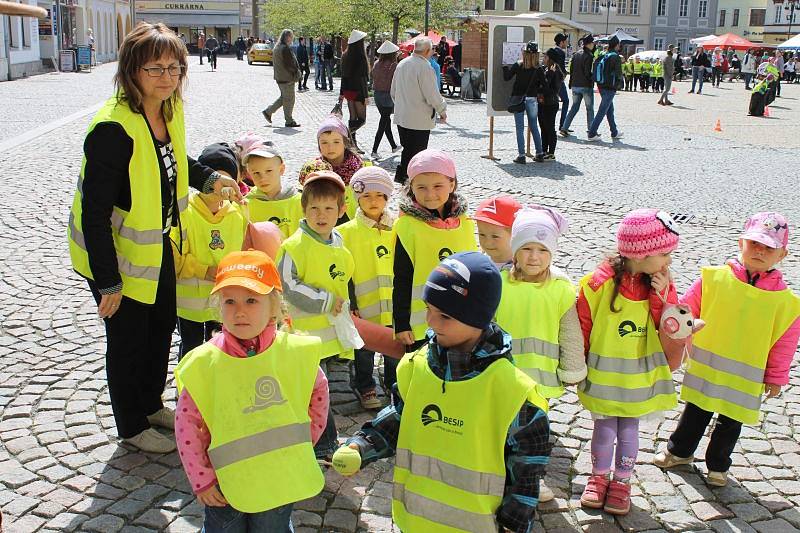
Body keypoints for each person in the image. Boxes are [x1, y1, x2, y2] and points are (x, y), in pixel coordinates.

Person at [67, 22, 242, 453]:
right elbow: (94, 213)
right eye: (155, 69)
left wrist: (208, 178)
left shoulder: (167, 107)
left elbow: (172, 158)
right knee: (127, 340)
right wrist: (107, 280)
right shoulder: (113, 128)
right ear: (132, 71)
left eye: (174, 67)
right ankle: (130, 425)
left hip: (157, 244)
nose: (167, 77)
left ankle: (149, 404)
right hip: (114, 254)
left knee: (161, 328)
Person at [333, 251, 552, 533]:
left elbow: (527, 474)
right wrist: (362, 446)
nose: (432, 323)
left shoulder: (514, 392)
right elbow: (399, 418)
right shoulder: (416, 366)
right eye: (429, 309)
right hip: (413, 522)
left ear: (478, 318)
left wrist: (514, 525)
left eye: (445, 316)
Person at [174, 250, 329, 531]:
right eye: (229, 301)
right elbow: (186, 423)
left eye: (251, 300)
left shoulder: (293, 354)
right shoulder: (204, 364)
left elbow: (317, 394)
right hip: (225, 481)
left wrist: (302, 443)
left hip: (279, 474)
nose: (239, 310)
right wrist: (202, 478)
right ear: (218, 306)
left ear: (274, 306)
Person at [655, 212, 800, 487]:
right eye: (754, 243)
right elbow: (687, 307)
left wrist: (776, 377)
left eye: (769, 247)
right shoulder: (714, 279)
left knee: (730, 423)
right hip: (707, 368)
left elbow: (784, 343)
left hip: (745, 378)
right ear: (740, 243)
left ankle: (718, 466)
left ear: (782, 255)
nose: (760, 251)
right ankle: (679, 452)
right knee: (695, 412)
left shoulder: (785, 302)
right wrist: (679, 325)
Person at [577, 209, 685, 515]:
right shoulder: (598, 284)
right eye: (664, 253)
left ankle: (622, 482)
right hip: (604, 376)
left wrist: (662, 294)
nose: (669, 260)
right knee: (604, 429)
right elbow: (583, 322)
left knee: (628, 431)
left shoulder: (661, 284)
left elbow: (667, 322)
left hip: (639, 376)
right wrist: (578, 362)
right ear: (640, 253)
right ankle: (598, 478)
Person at [495, 205, 587, 503]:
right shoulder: (499, 283)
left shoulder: (560, 290)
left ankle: (529, 479)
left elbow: (570, 332)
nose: (534, 257)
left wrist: (573, 368)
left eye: (542, 250)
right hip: (503, 374)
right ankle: (497, 475)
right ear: (515, 251)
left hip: (540, 379)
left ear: (552, 253)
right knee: (499, 429)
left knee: (534, 434)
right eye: (527, 248)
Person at [277, 170, 355, 459]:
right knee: (313, 388)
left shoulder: (335, 239)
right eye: (314, 209)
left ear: (341, 210)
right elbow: (288, 284)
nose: (321, 215)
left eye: (328, 209)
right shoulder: (295, 246)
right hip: (303, 332)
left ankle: (316, 439)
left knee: (318, 388)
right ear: (303, 209)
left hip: (327, 330)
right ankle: (323, 443)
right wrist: (325, 301)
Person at [392, 149, 478, 352]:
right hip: (422, 326)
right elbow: (401, 278)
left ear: (452, 184)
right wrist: (402, 322)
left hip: (461, 321)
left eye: (438, 186)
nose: (430, 194)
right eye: (421, 187)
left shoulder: (465, 223)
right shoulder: (406, 227)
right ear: (411, 187)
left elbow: (475, 272)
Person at [173, 143, 248, 360]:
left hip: (224, 299)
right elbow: (175, 256)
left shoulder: (237, 214)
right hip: (190, 304)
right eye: (215, 181)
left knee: (221, 344)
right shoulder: (184, 212)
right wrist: (204, 270)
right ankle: (187, 388)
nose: (219, 191)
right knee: (191, 347)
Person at [338, 167, 398, 409]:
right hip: (363, 305)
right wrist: (350, 303)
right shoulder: (346, 233)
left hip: (394, 304)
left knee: (394, 348)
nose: (373, 202)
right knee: (363, 350)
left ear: (387, 197)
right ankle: (365, 386)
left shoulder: (399, 227)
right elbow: (345, 273)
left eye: (378, 195)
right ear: (357, 198)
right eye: (366, 196)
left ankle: (394, 384)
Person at [390, 37, 447, 184]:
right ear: (428, 51)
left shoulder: (402, 64)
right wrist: (442, 109)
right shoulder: (425, 67)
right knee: (417, 153)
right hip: (419, 119)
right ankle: (411, 180)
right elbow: (432, 94)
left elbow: (393, 91)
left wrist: (403, 105)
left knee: (407, 149)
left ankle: (403, 177)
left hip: (402, 117)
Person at [306, 115, 365, 223]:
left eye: (336, 142)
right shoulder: (315, 169)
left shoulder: (359, 169)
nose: (330, 147)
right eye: (324, 142)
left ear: (345, 142)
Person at [243, 140, 303, 240]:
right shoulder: (245, 205)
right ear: (249, 172)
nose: (263, 178)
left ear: (281, 169)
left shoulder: (300, 201)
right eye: (256, 173)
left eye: (269, 171)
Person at [503, 41, 544, 164]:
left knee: (519, 128)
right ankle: (539, 153)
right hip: (532, 99)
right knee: (534, 126)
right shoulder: (539, 69)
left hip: (518, 99)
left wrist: (504, 66)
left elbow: (507, 78)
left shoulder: (518, 65)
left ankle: (521, 155)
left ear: (524, 52)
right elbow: (545, 86)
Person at [339, 30, 370, 154]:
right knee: (361, 119)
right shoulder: (361, 57)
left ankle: (353, 144)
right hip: (358, 92)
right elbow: (362, 79)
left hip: (348, 91)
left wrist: (341, 93)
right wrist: (366, 96)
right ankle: (347, 136)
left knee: (353, 118)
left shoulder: (345, 55)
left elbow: (343, 76)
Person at [587, 36, 623, 142]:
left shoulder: (604, 54)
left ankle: (614, 132)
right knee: (603, 110)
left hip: (601, 85)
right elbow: (618, 74)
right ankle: (592, 133)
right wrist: (618, 86)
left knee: (609, 109)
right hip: (610, 87)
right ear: (616, 45)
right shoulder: (615, 57)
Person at [262, 29, 300, 128]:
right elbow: (289, 64)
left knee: (284, 98)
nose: (292, 38)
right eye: (291, 36)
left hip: (280, 77)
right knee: (290, 99)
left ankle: (268, 112)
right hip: (287, 78)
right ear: (287, 37)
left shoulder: (277, 47)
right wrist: (296, 73)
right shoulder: (284, 48)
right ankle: (289, 120)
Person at [560, 34, 595, 138]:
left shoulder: (576, 54)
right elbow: (588, 72)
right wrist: (592, 80)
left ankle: (564, 128)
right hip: (586, 86)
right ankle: (591, 130)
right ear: (589, 44)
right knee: (589, 109)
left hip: (575, 85)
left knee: (574, 107)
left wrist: (571, 83)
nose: (593, 44)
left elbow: (571, 70)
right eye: (592, 42)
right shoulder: (589, 56)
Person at [371, 40, 401, 160]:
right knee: (384, 121)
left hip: (377, 95)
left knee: (385, 120)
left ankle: (393, 146)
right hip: (388, 95)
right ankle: (374, 150)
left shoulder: (376, 63)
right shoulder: (394, 65)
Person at [473, 195, 522, 269]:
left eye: (495, 236)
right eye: (482, 234)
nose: (487, 242)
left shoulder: (524, 270)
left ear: (516, 234)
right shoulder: (477, 263)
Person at [538, 49, 564, 160]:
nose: (543, 59)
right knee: (543, 128)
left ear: (550, 58)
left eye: (545, 57)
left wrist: (548, 75)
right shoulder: (547, 69)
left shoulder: (555, 72)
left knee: (549, 128)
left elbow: (549, 89)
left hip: (550, 103)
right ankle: (544, 150)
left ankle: (551, 152)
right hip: (543, 102)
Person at [552, 33, 569, 130]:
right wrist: (565, 75)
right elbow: (562, 68)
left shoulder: (552, 51)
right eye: (565, 41)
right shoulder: (561, 53)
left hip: (551, 80)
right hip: (559, 81)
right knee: (566, 101)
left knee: (553, 102)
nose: (566, 43)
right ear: (561, 42)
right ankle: (563, 124)